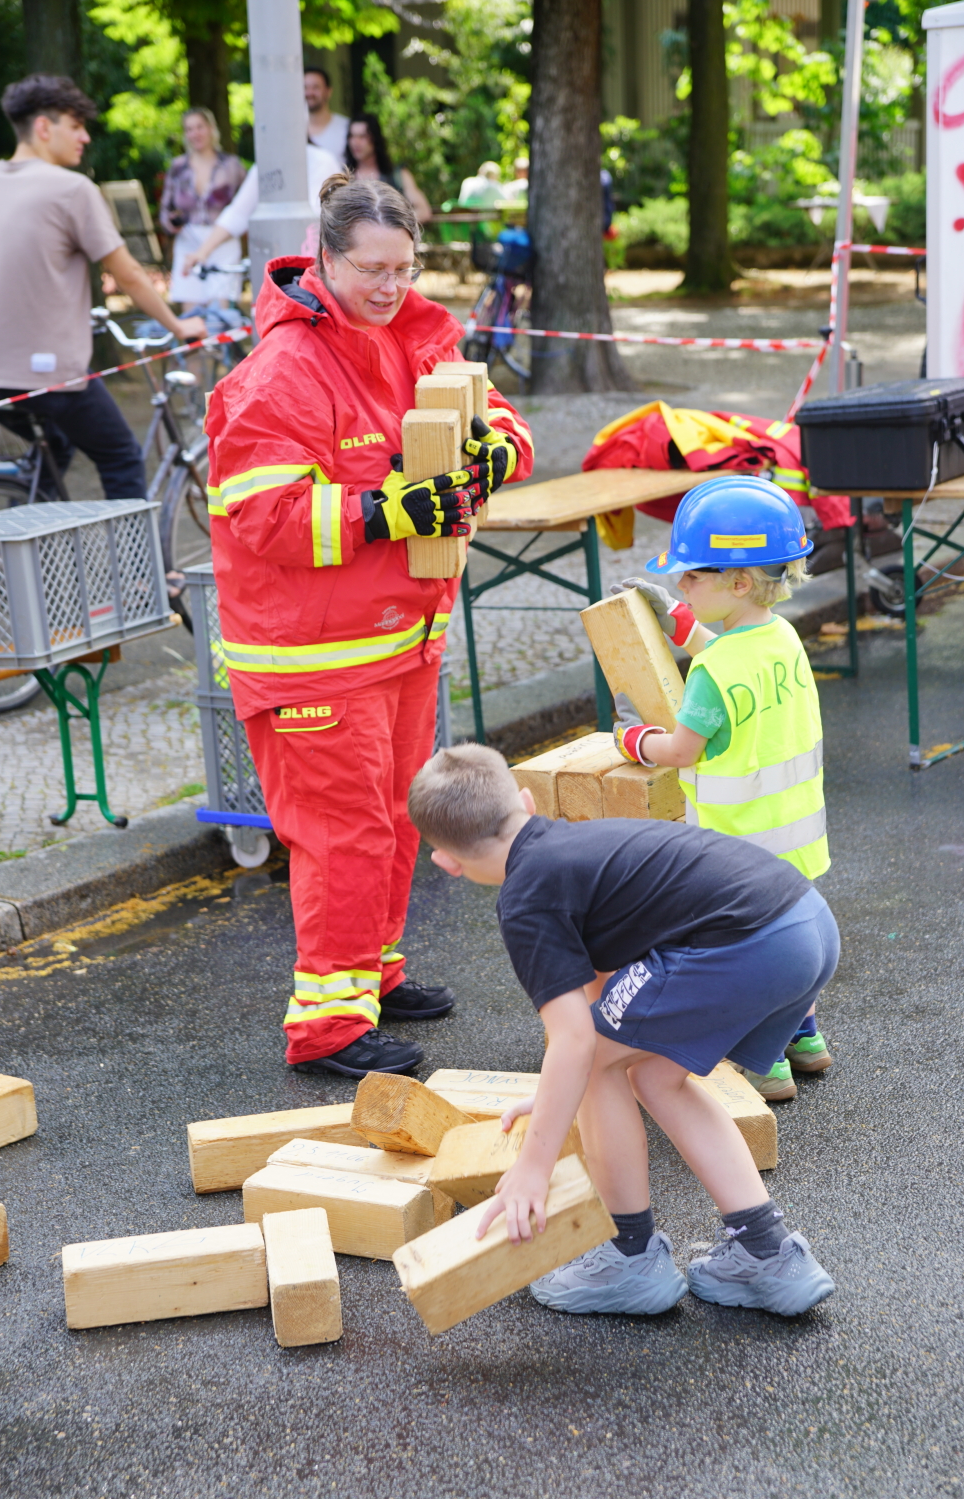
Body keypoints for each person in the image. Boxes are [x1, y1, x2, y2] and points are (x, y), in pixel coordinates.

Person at [205, 173, 533, 1078]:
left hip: (397, 637)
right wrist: (388, 513)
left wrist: (495, 451)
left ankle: (371, 973)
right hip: (313, 658)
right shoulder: (278, 375)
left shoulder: (418, 331)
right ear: (324, 258)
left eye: (404, 267)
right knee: (341, 834)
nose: (390, 288)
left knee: (391, 819)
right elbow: (266, 519)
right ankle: (327, 1025)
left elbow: (495, 411)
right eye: (370, 270)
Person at [407, 744, 839, 1318]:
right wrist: (558, 1089)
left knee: (595, 1065)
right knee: (656, 1077)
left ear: (446, 861)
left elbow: (577, 1043)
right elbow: (608, 1000)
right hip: (805, 922)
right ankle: (768, 1252)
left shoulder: (528, 896)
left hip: (750, 941)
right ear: (528, 803)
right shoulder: (574, 845)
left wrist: (532, 1170)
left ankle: (628, 1259)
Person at [611, 476, 833, 1102]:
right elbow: (734, 654)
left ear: (739, 581)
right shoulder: (781, 635)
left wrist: (635, 742)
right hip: (796, 839)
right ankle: (806, 1040)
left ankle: (767, 1069)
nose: (681, 584)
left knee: (748, 961)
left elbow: (681, 748)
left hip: (737, 854)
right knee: (795, 943)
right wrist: (682, 622)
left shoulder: (710, 673)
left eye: (691, 577)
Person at [0, 75, 205, 503]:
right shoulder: (71, 189)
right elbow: (130, 276)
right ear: (44, 128)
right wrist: (179, 325)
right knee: (120, 455)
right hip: (47, 374)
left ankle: (33, 561)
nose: (85, 136)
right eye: (76, 124)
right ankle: (139, 571)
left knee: (53, 452)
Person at [183, 139, 338, 277]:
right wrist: (202, 252)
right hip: (277, 269)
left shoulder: (322, 161)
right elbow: (238, 212)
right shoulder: (266, 165)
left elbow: (320, 216)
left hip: (317, 268)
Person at [159, 107, 246, 309]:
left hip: (222, 243)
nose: (195, 133)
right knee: (190, 315)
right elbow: (165, 210)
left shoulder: (231, 165)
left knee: (220, 314)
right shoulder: (178, 167)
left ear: (211, 129)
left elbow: (244, 206)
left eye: (199, 127)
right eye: (189, 129)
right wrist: (172, 223)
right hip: (188, 241)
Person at [345, 115, 432, 224]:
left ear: (375, 139)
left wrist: (394, 224)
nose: (355, 142)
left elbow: (424, 211)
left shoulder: (398, 174)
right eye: (352, 136)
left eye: (362, 136)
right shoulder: (343, 177)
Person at [305, 66, 349, 167]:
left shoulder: (346, 128)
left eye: (316, 87)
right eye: (305, 87)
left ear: (328, 92)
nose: (309, 93)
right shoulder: (291, 132)